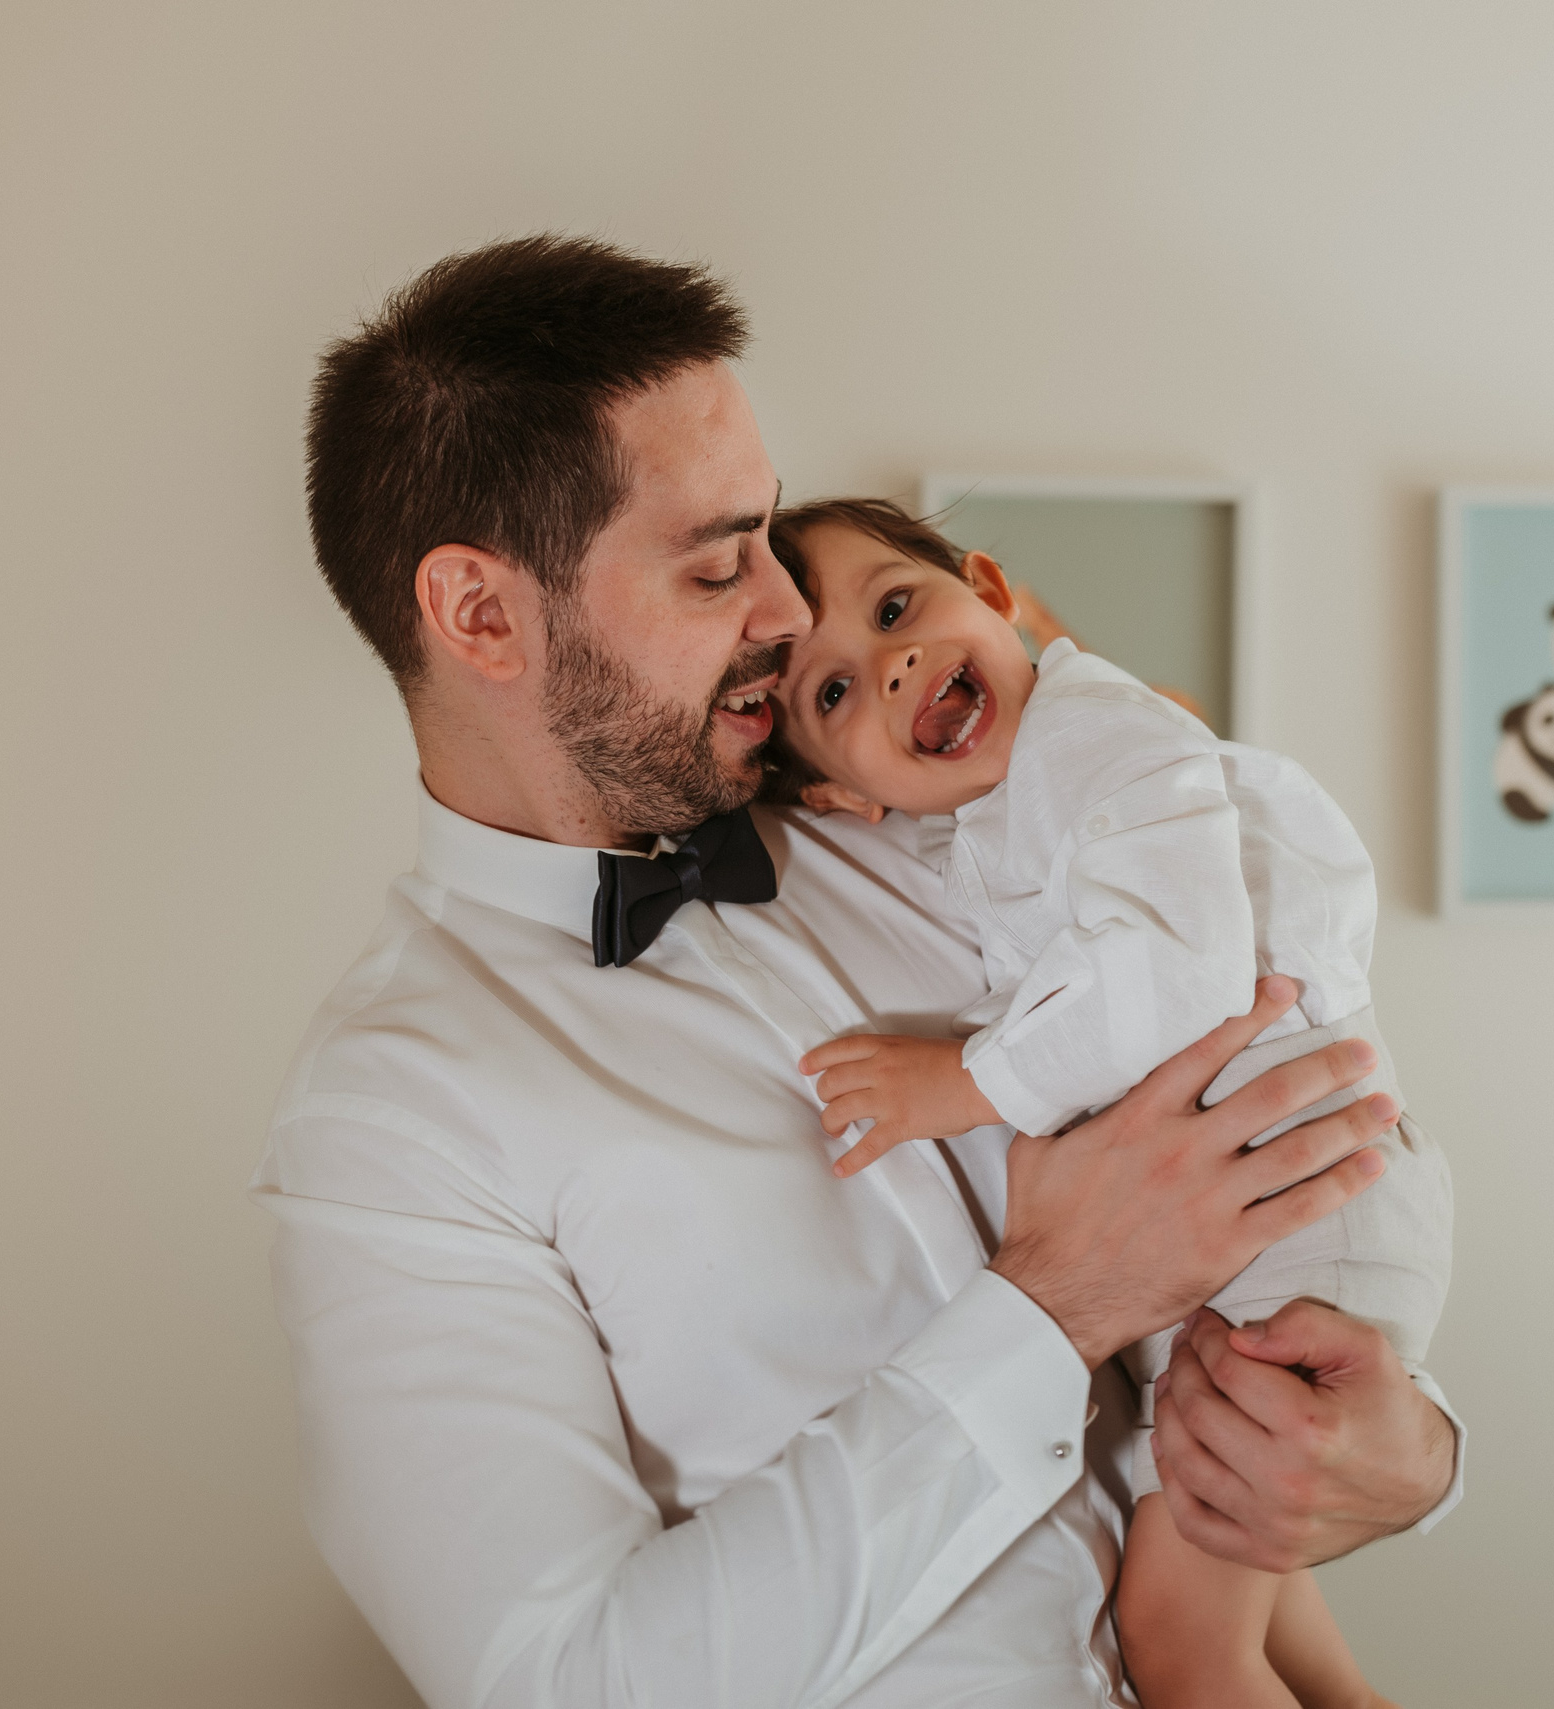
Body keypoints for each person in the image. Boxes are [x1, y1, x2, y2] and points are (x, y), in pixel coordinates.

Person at [255, 233, 1462, 1709]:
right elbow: (568, 1684)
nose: (781, 609)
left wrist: (1410, 1453)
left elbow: (1275, 1136)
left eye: (767, 538)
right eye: (716, 565)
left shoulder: (932, 819)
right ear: (483, 615)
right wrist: (1051, 1307)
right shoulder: (392, 1125)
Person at [759, 498, 1454, 1709]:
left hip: (1288, 1221)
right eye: (834, 694)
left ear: (991, 586)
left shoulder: (1093, 738)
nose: (894, 663)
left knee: (1180, 1640)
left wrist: (961, 1079)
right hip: (1266, 1229)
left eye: (895, 608)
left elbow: (1174, 971)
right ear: (839, 801)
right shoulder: (976, 818)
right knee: (1277, 1622)